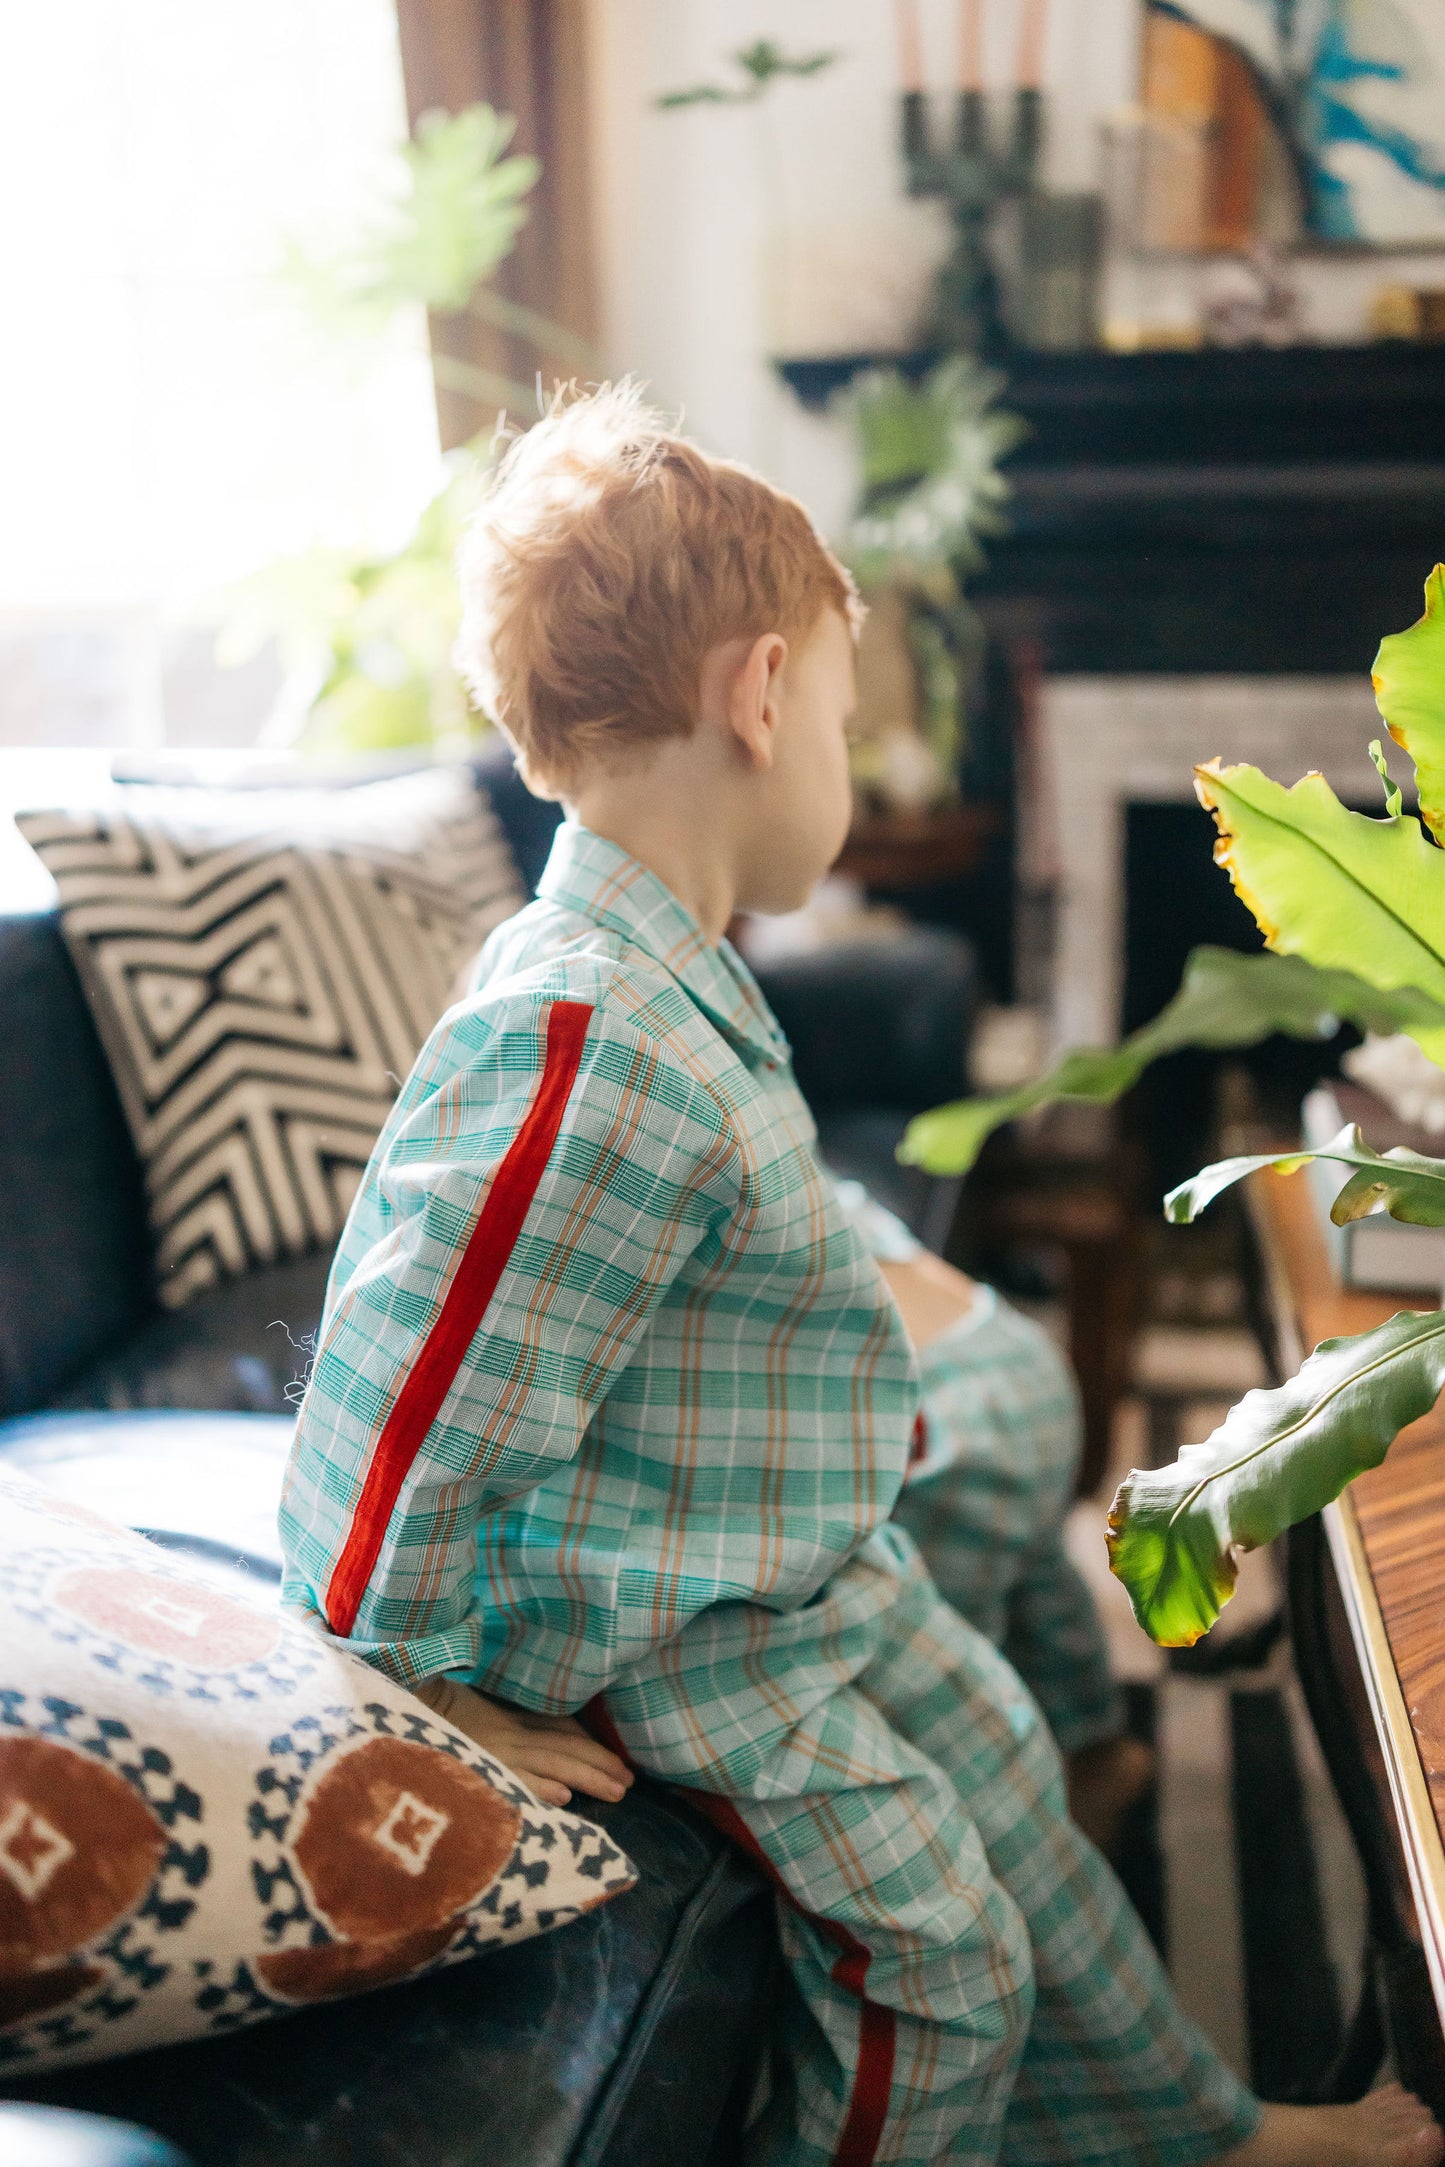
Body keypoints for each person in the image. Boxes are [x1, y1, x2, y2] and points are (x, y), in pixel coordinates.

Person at [279, 385, 1440, 2167]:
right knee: (937, 1948)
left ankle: (1192, 2132)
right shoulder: (581, 1034)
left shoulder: (663, 975)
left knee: (999, 1757)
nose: (838, 747)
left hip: (780, 1559)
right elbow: (410, 1382)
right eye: (834, 706)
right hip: (652, 1626)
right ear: (756, 697)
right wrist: (406, 1668)